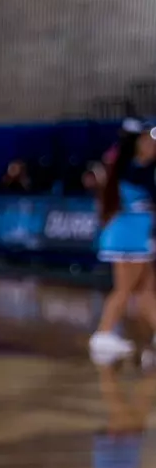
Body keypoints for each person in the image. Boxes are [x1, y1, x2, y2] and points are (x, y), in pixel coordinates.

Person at [89, 120, 156, 366]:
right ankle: (103, 333)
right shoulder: (130, 172)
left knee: (146, 290)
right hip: (128, 239)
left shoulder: (141, 170)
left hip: (138, 239)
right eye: (148, 142)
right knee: (125, 289)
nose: (153, 147)